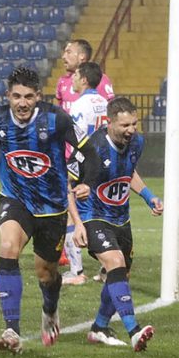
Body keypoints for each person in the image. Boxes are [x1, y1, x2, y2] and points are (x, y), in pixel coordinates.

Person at [0, 66, 97, 354]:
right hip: (16, 198)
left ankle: (50, 310)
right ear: (8, 95)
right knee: (8, 247)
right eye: (17, 96)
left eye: (29, 97)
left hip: (52, 208)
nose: (22, 103)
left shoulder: (56, 119)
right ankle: (12, 330)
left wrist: (86, 182)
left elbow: (89, 152)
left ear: (38, 96)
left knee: (46, 273)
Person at [68, 97, 162, 351]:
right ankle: (134, 330)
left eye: (134, 124)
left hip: (122, 218)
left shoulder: (137, 142)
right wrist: (77, 224)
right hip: (93, 216)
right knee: (115, 262)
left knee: (121, 274)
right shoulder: (90, 149)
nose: (131, 130)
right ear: (109, 123)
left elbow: (128, 173)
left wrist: (149, 196)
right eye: (125, 125)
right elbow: (67, 184)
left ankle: (99, 327)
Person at [55, 39, 115, 280]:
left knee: (71, 209)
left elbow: (76, 137)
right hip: (104, 160)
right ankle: (107, 266)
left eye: (77, 76)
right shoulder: (103, 103)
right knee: (103, 212)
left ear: (84, 80)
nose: (73, 79)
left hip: (82, 161)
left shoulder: (79, 105)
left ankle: (76, 271)